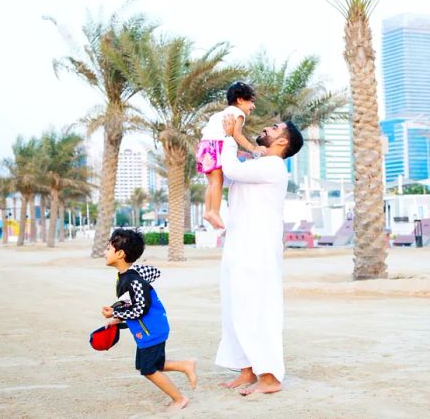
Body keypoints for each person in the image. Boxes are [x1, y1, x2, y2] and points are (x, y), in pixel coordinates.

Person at [215, 116, 304, 396]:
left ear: (282, 141)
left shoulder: (273, 166)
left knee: (256, 309)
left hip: (257, 249)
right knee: (236, 307)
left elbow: (231, 168)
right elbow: (229, 172)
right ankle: (247, 371)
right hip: (239, 245)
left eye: (275, 128)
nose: (267, 128)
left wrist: (231, 136)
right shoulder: (259, 163)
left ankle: (269, 378)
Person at [101, 228, 197, 411]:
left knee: (148, 369)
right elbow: (128, 302)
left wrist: (114, 314)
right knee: (150, 365)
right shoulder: (125, 277)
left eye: (108, 249)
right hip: (146, 329)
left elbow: (140, 309)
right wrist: (116, 316)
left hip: (152, 329)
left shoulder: (133, 280)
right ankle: (186, 365)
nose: (104, 253)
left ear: (120, 254)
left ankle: (179, 399)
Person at [196, 81, 267, 229]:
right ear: (240, 100)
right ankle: (215, 211)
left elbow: (221, 138)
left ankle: (208, 211)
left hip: (203, 147)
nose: (253, 106)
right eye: (251, 101)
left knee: (211, 182)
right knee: (218, 182)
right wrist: (253, 148)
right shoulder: (238, 113)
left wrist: (241, 152)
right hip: (214, 146)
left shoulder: (219, 115)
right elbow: (237, 135)